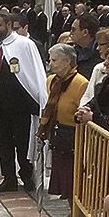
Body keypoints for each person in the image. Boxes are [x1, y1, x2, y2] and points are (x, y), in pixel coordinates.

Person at [0, 11, 48, 192]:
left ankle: (27, 177)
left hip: (20, 104)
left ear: (9, 25)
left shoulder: (25, 44)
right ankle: (9, 178)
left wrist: (39, 97)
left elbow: (33, 71)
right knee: (2, 143)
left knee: (22, 143)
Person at [38, 44, 89, 198]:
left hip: (73, 134)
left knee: (73, 177)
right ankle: (70, 210)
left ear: (67, 62)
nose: (50, 63)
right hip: (57, 131)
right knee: (63, 178)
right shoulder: (51, 80)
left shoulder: (81, 83)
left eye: (54, 60)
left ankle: (77, 213)